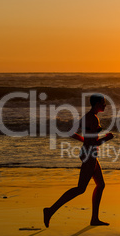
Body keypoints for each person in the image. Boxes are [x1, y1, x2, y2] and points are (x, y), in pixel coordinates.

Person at [43, 94, 114, 227]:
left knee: (100, 185)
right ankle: (50, 210)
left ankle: (94, 219)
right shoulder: (92, 119)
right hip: (89, 155)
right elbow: (95, 143)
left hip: (89, 153)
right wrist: (107, 138)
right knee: (80, 188)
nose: (105, 105)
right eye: (103, 103)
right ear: (97, 103)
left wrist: (84, 140)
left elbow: (71, 132)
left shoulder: (87, 117)